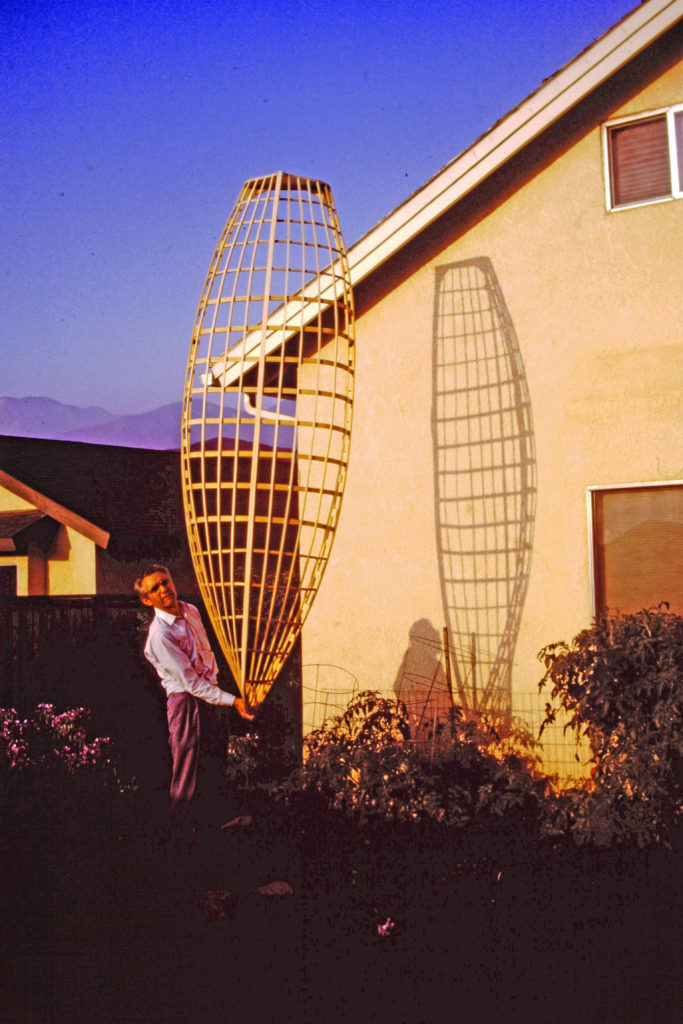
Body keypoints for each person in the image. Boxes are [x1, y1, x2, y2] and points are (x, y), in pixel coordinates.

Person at [134, 564, 254, 837]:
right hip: (187, 703)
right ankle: (180, 840)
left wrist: (219, 693)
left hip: (209, 696)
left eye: (165, 581)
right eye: (155, 588)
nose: (163, 589)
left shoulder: (191, 611)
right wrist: (233, 700)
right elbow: (191, 683)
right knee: (188, 776)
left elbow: (206, 656)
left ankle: (209, 834)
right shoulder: (160, 635)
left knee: (213, 765)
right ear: (147, 599)